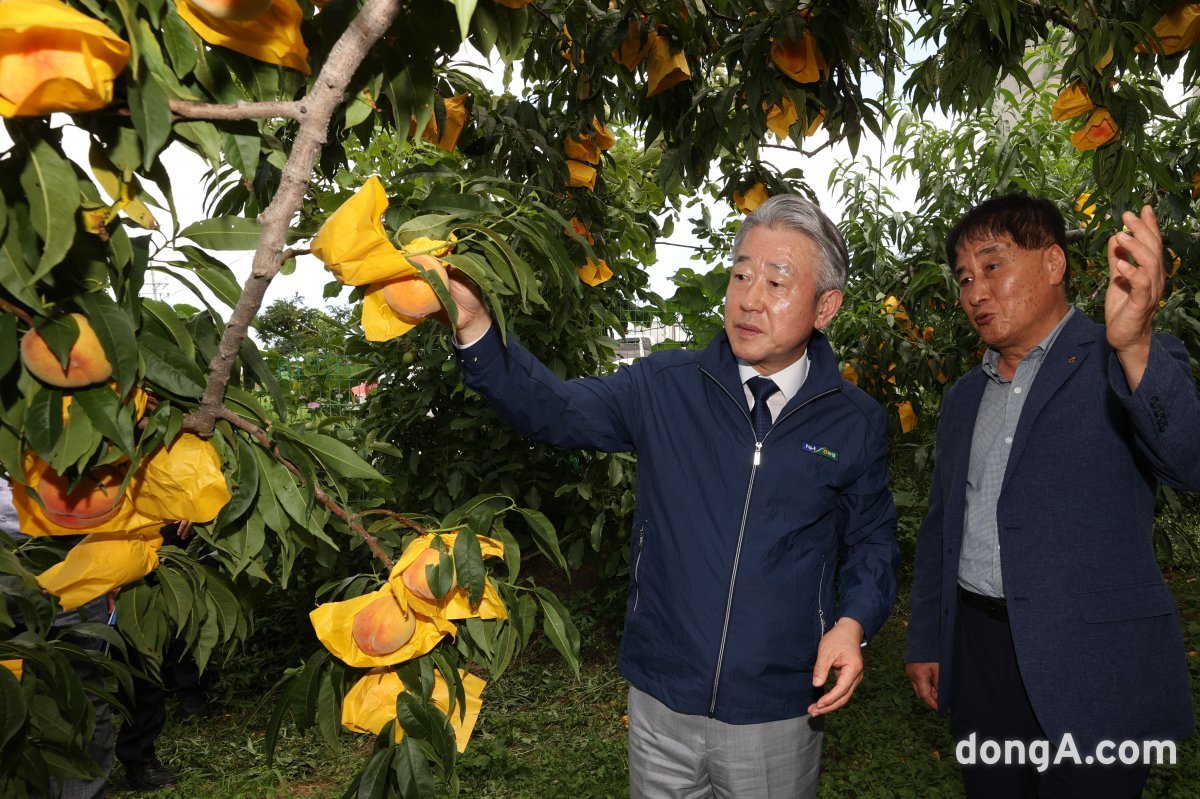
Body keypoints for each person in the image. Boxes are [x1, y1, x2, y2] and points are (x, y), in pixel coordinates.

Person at [441, 195, 899, 798]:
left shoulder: (852, 421)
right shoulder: (664, 387)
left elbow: (871, 539)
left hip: (777, 706)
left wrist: (852, 624)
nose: (749, 297)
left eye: (777, 281)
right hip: (662, 701)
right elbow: (556, 409)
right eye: (740, 274)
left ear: (826, 307)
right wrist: (475, 325)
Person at [905, 193, 1200, 798]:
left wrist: (1136, 344)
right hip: (982, 654)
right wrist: (929, 640)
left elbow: (1189, 462)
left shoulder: (1121, 356)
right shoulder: (964, 397)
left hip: (1094, 661)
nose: (975, 291)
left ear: (1053, 264)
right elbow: (943, 525)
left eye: (993, 265)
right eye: (964, 277)